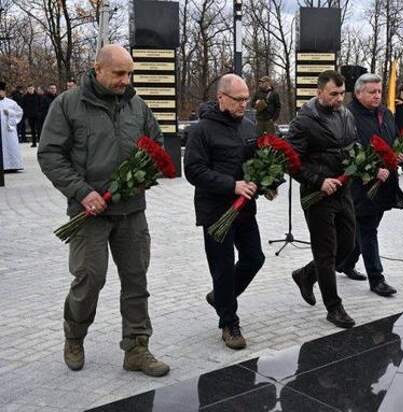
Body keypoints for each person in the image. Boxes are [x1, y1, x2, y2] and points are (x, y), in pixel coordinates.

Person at [38, 44, 170, 377]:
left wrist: (144, 175)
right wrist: (82, 192)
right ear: (97, 69)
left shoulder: (137, 106)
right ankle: (74, 336)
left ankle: (137, 348)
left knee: (136, 279)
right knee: (90, 278)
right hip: (89, 213)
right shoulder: (68, 104)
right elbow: (50, 154)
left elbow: (157, 145)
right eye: (119, 73)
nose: (126, 80)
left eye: (130, 74)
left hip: (131, 211)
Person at [184, 74, 265, 350]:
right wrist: (232, 185)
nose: (244, 104)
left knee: (254, 258)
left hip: (244, 209)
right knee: (222, 268)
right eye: (238, 99)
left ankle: (221, 297)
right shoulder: (202, 130)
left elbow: (256, 163)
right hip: (215, 210)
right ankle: (229, 322)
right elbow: (193, 170)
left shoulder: (249, 127)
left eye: (246, 99)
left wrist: (264, 182)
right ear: (221, 97)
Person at [288, 70, 358, 329]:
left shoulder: (346, 114)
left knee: (347, 245)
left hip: (343, 190)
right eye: (333, 94)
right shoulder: (303, 122)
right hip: (318, 195)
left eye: (342, 93)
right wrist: (318, 181)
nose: (339, 99)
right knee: (325, 252)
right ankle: (334, 307)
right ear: (319, 93)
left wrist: (363, 162)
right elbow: (290, 161)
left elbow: (353, 145)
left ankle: (306, 274)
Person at [337, 73, 403, 296]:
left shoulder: (385, 113)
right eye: (372, 92)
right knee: (368, 229)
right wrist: (370, 169)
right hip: (361, 184)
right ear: (358, 93)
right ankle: (377, 278)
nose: (377, 95)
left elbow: (393, 139)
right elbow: (347, 150)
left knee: (365, 228)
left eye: (379, 91)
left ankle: (346, 263)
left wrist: (400, 154)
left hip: (385, 181)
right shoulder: (347, 115)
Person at [0, 81, 24, 171]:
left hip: (8, 130)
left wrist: (10, 113)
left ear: (4, 92)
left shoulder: (11, 103)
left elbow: (19, 113)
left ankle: (13, 165)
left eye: (1, 91)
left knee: (11, 146)